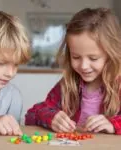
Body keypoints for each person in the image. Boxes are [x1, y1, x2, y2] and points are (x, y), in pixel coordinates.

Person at [25, 7, 121, 135]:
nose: (84, 66)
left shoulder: (118, 85)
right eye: (76, 57)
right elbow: (31, 115)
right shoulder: (67, 85)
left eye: (93, 58)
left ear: (111, 54)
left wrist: (113, 124)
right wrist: (51, 117)